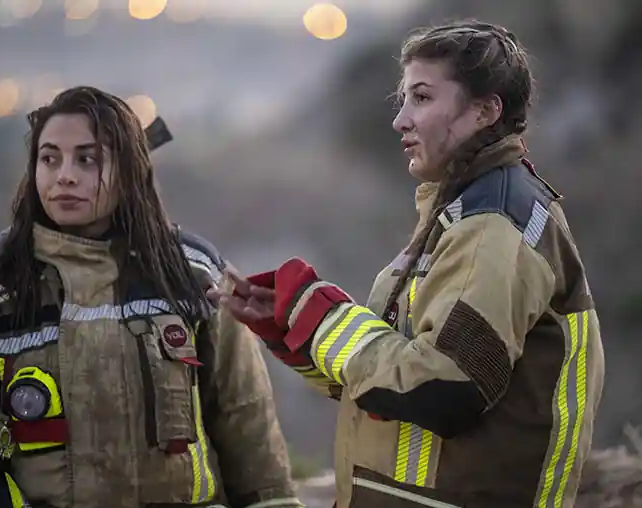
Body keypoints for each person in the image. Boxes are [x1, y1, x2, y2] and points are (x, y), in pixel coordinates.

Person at [211, 20, 605, 508]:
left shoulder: (491, 228)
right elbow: (388, 384)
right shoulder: (463, 215)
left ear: (485, 110)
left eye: (421, 97)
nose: (400, 119)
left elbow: (443, 387)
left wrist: (321, 320)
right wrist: (296, 330)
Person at [0, 86, 303, 508]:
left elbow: (244, 419)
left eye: (87, 159)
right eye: (49, 158)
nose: (65, 175)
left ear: (128, 171)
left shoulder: (191, 274)